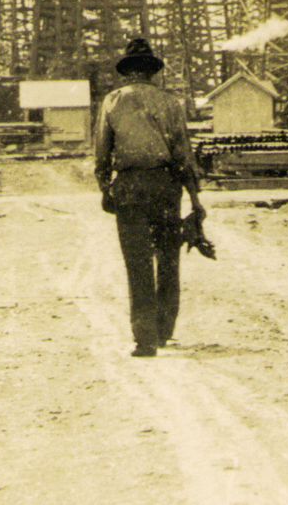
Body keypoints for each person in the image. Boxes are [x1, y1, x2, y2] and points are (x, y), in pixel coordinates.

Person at [94, 37, 205, 357]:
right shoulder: (170, 103)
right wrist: (195, 199)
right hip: (165, 187)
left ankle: (144, 338)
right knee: (168, 260)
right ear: (152, 71)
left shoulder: (113, 101)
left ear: (127, 71)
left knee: (137, 264)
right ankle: (163, 329)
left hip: (129, 188)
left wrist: (105, 188)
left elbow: (102, 153)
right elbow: (183, 153)